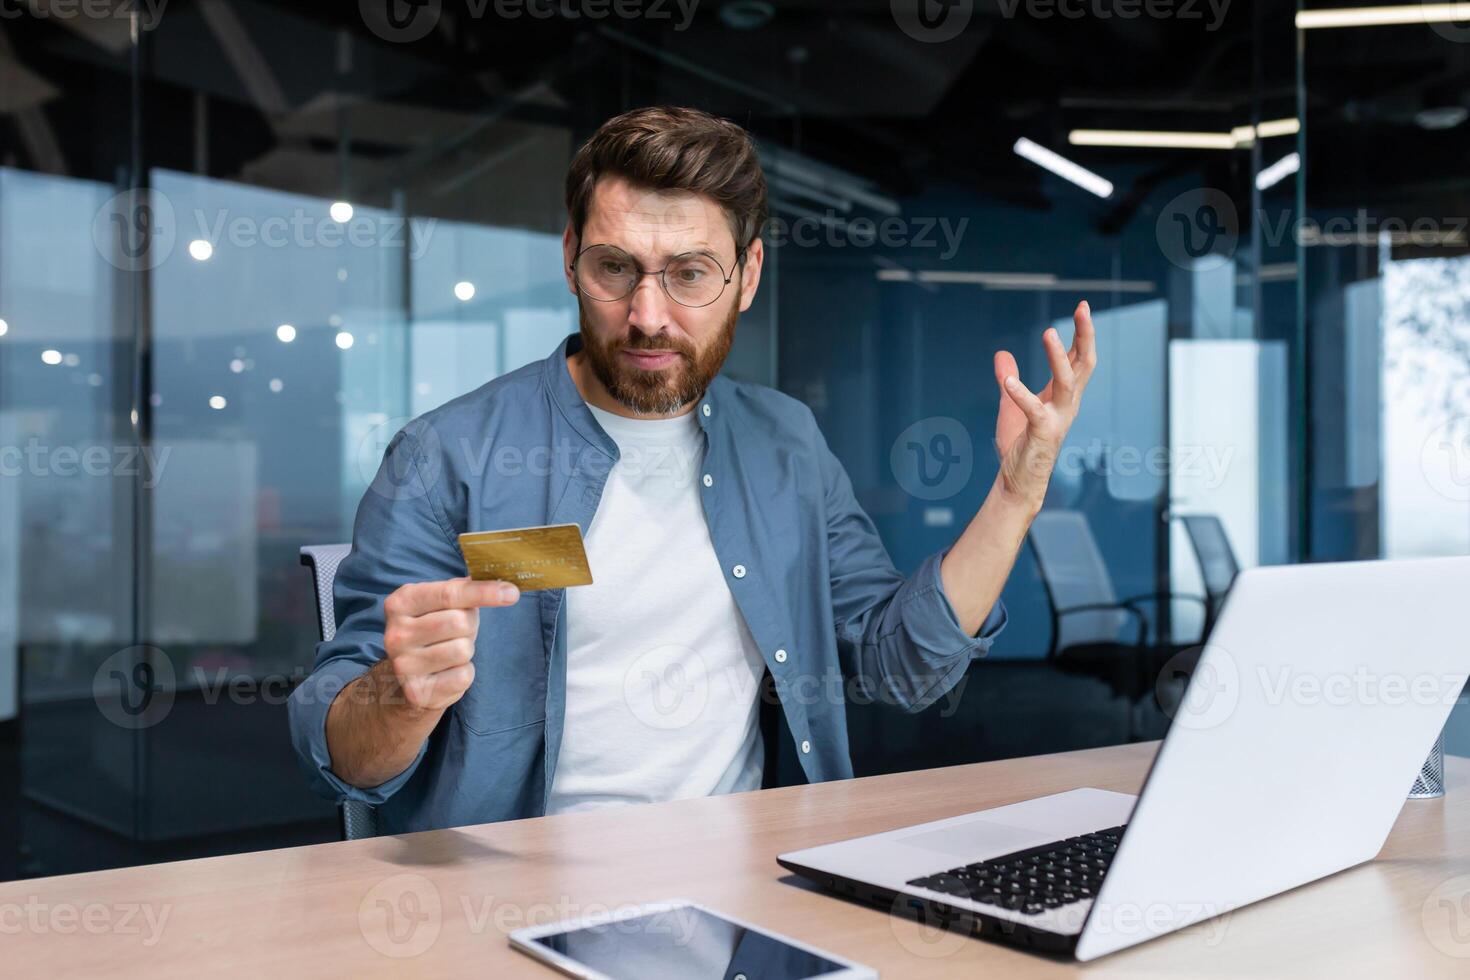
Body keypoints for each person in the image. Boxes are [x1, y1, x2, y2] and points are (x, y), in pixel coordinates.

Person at [288, 105, 1097, 834]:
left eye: (689, 273)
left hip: (752, 896)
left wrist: (1016, 493)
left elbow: (904, 662)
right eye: (615, 268)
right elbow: (343, 760)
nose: (647, 314)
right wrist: (401, 695)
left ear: (745, 277)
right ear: (571, 259)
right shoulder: (445, 457)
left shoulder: (787, 444)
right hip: (506, 906)